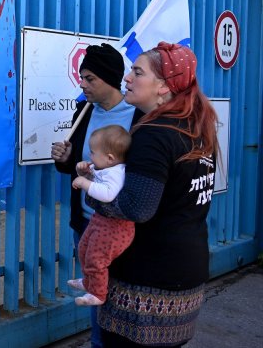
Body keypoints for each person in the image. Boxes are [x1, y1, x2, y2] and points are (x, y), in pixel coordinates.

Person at [88, 42, 218, 347]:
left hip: (146, 282)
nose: (127, 78)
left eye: (137, 72)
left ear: (163, 87)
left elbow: (137, 208)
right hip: (185, 275)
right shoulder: (195, 127)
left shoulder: (154, 134)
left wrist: (93, 194)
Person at [51, 43, 143, 348]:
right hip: (87, 225)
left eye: (90, 78)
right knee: (96, 297)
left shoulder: (138, 116)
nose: (83, 84)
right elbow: (76, 168)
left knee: (123, 303)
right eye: (82, 77)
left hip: (121, 229)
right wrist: (64, 159)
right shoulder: (84, 110)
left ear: (109, 78)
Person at [67, 125, 134, 306]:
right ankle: (88, 281)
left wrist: (84, 183)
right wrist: (86, 173)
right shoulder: (106, 168)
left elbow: (108, 194)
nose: (90, 156)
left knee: (97, 259)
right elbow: (97, 179)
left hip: (114, 228)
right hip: (100, 221)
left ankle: (97, 293)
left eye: (93, 153)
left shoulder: (116, 173)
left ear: (110, 158)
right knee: (83, 248)